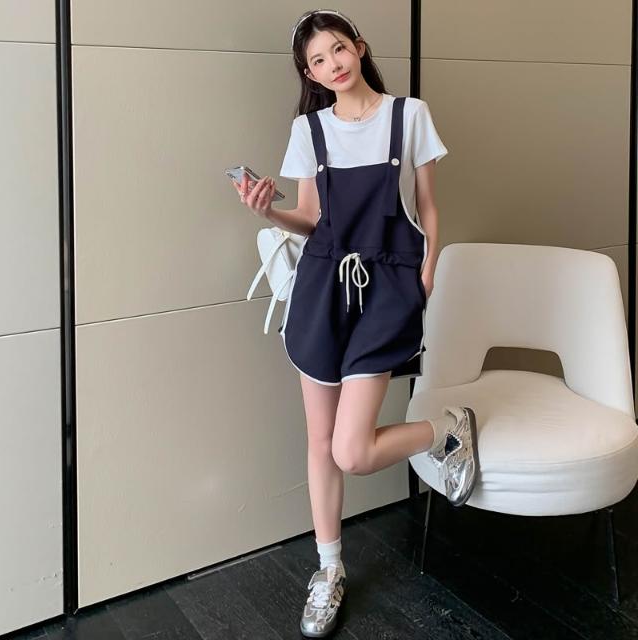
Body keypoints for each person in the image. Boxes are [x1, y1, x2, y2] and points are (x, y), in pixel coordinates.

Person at [232, 9, 479, 638]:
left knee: (352, 449)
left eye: (338, 50)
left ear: (359, 48)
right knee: (321, 442)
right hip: (322, 288)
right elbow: (312, 219)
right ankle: (329, 569)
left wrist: (425, 276)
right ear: (310, 74)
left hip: (386, 287)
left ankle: (447, 430)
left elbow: (428, 207)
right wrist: (269, 213)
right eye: (317, 61)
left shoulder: (409, 115)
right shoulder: (308, 130)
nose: (332, 64)